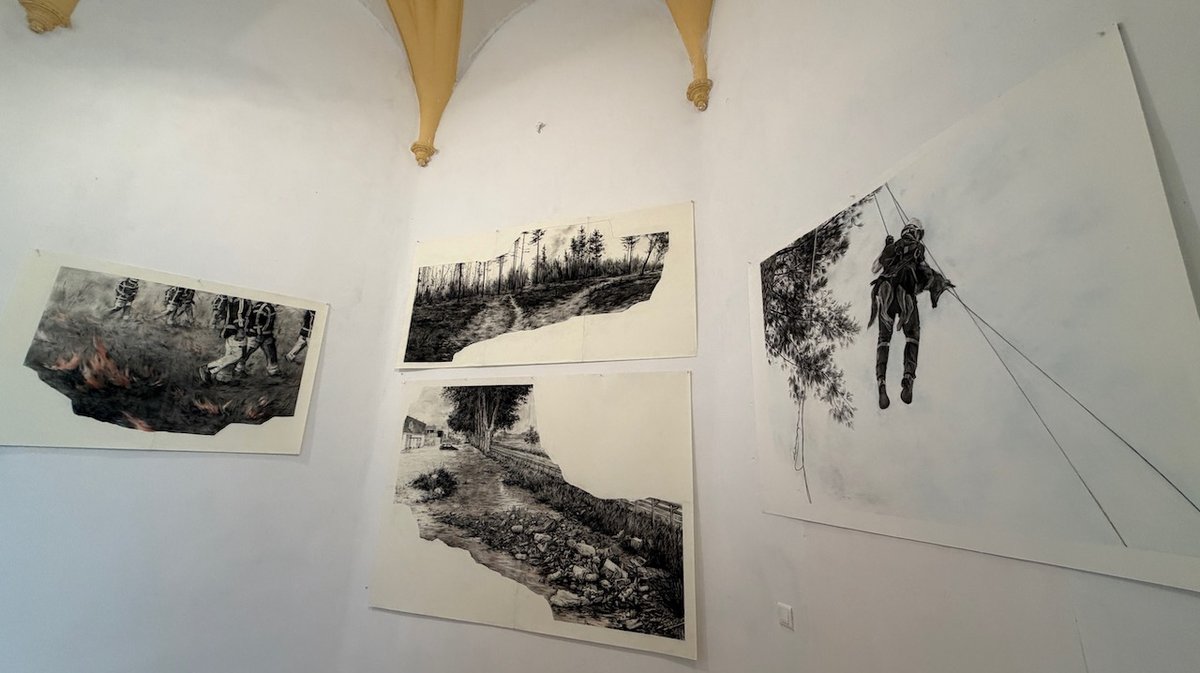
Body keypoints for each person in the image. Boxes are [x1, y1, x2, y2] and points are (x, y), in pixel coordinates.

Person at [868, 219, 952, 409]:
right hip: (906, 295)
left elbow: (874, 268)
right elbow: (925, 272)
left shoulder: (892, 248)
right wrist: (939, 282)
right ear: (917, 233)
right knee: (912, 336)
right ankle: (908, 377)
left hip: (886, 292)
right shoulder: (917, 249)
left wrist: (886, 248)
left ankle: (881, 381)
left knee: (883, 339)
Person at [200, 295, 252, 383]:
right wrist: (241, 330)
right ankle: (208, 368)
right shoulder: (242, 299)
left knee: (229, 357)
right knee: (237, 356)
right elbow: (239, 315)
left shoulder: (232, 299)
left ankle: (221, 377)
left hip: (230, 332)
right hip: (236, 333)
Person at [240, 301, 280, 377]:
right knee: (270, 352)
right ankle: (273, 371)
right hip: (262, 334)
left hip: (255, 333)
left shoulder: (258, 306)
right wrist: (260, 334)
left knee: (248, 352)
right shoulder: (268, 308)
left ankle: (238, 368)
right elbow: (264, 324)